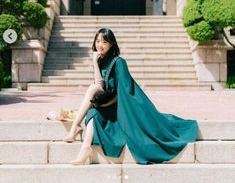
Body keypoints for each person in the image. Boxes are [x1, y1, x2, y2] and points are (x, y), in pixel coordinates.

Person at [63, 28, 198, 165]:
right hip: (104, 104)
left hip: (119, 107)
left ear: (111, 44)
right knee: (93, 113)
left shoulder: (119, 62)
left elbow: (124, 92)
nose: (100, 45)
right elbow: (100, 85)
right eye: (97, 41)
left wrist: (103, 104)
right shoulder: (100, 61)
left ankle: (75, 128)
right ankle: (84, 150)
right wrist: (94, 64)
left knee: (93, 95)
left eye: (104, 42)